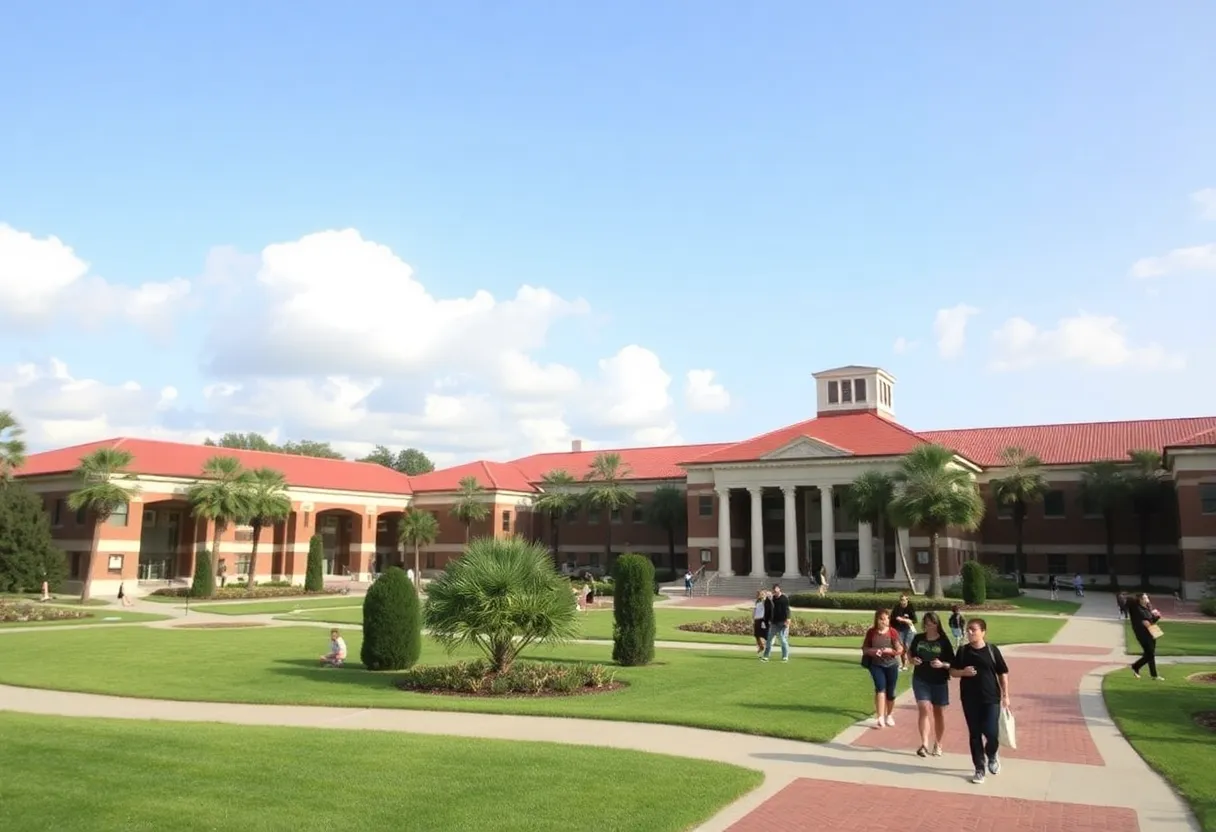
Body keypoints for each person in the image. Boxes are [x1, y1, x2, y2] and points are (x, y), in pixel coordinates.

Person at [950, 618, 1010, 785]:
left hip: (991, 698)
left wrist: (1006, 695)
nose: (969, 632)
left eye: (973, 630)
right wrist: (963, 672)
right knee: (975, 734)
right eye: (968, 629)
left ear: (983, 632)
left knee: (991, 733)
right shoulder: (963, 651)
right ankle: (979, 768)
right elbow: (953, 672)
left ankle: (992, 754)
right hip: (970, 699)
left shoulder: (992, 650)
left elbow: (1002, 673)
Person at [909, 611, 956, 757]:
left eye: (933, 623)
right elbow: (909, 653)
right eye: (927, 623)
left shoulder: (943, 640)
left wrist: (942, 664)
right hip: (921, 678)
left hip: (939, 681)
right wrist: (912, 660)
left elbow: (952, 662)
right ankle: (924, 744)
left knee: (938, 712)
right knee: (923, 708)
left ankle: (938, 743)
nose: (930, 626)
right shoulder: (918, 638)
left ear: (937, 624)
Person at [861, 609, 903, 728]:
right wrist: (873, 651)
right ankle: (880, 717)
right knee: (880, 688)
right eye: (881, 619)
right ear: (877, 620)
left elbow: (900, 649)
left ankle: (889, 715)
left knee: (891, 692)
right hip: (876, 665)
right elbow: (864, 648)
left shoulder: (892, 632)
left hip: (891, 665)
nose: (884, 621)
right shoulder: (871, 632)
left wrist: (891, 651)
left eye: (887, 619)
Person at [1128, 593, 1165, 681]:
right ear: (1141, 599)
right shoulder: (1138, 609)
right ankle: (1135, 666)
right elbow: (1146, 623)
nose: (1147, 599)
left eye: (1147, 597)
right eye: (1145, 598)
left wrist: (1157, 617)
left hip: (1150, 632)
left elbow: (1151, 621)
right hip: (1143, 634)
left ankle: (1154, 675)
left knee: (1150, 654)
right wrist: (1154, 620)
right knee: (1150, 654)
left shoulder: (1147, 608)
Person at [761, 584, 790, 662]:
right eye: (774, 590)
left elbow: (787, 610)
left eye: (776, 590)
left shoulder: (784, 598)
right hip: (774, 622)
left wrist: (788, 619)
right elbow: (768, 608)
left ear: (779, 589)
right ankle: (766, 656)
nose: (775, 592)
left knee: (782, 639)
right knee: (769, 640)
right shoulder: (772, 599)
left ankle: (785, 656)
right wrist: (768, 598)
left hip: (783, 622)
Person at [890, 594, 918, 670]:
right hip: (899, 629)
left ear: (907, 600)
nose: (902, 602)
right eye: (901, 600)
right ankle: (900, 664)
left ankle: (905, 664)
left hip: (908, 630)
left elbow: (914, 620)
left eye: (904, 600)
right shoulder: (897, 608)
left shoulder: (910, 607)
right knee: (900, 647)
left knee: (907, 646)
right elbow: (892, 618)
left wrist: (904, 620)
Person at [751, 589, 769, 654]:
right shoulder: (757, 601)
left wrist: (763, 596)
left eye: (761, 594)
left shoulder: (765, 601)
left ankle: (768, 646)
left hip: (762, 619)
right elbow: (755, 610)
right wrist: (753, 618)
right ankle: (761, 646)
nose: (758, 595)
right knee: (756, 635)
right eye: (758, 594)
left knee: (765, 635)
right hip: (757, 619)